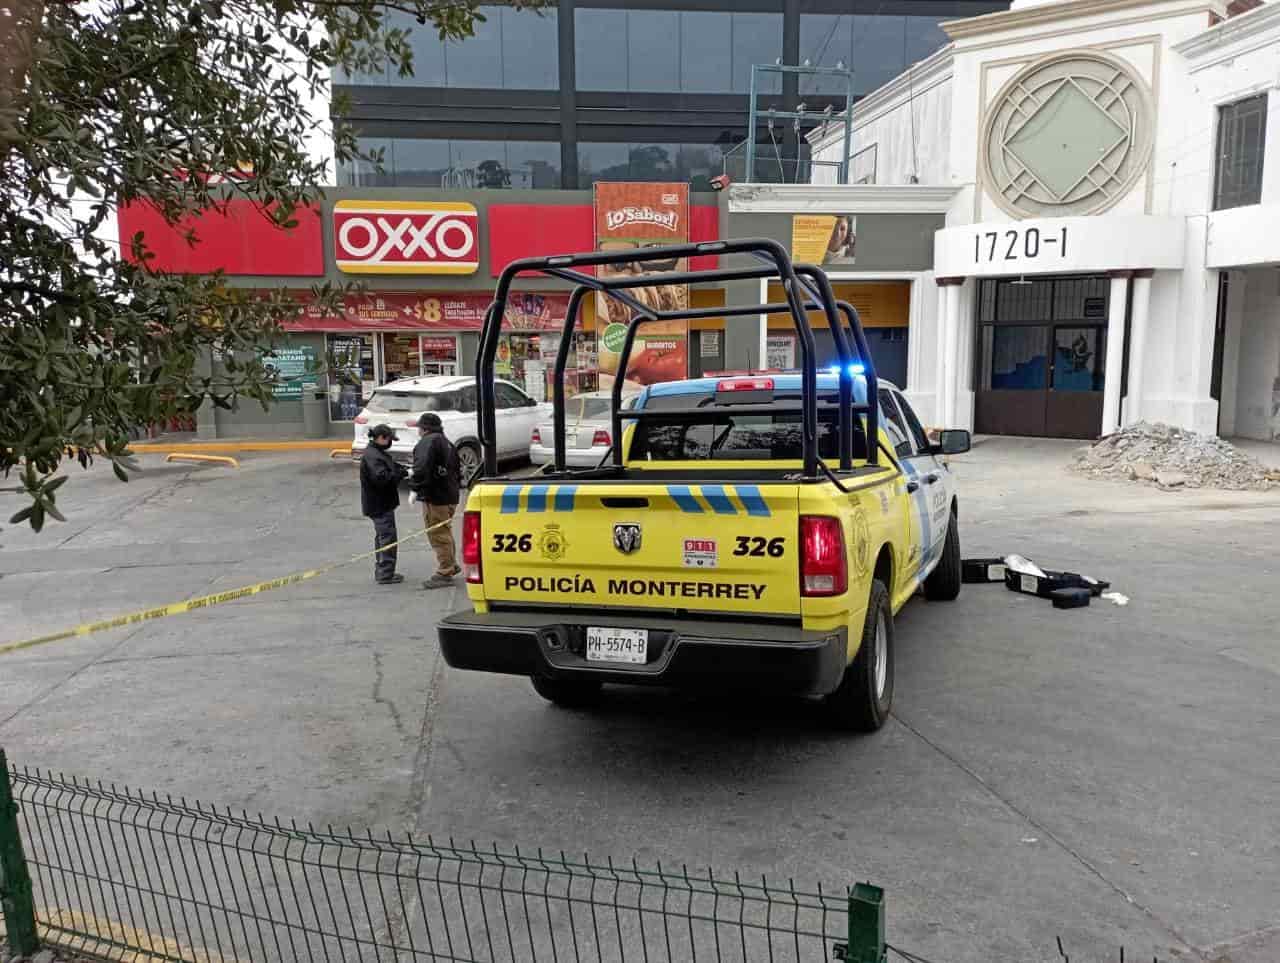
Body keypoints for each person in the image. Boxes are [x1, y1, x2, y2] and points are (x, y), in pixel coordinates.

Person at [410, 412, 462, 589]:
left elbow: (421, 468)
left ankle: (445, 571)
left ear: (423, 428)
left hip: (437, 497)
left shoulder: (428, 441)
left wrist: (415, 488)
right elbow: (457, 469)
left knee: (438, 534)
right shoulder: (446, 442)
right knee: (445, 531)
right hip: (450, 495)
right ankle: (451, 565)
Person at [360, 424, 408, 585]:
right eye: (389, 440)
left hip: (380, 503)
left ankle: (383, 570)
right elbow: (382, 479)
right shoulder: (373, 455)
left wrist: (401, 469)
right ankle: (385, 574)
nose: (390, 443)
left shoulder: (376, 452)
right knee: (387, 538)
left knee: (383, 537)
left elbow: (387, 468)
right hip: (380, 504)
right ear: (381, 438)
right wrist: (400, 474)